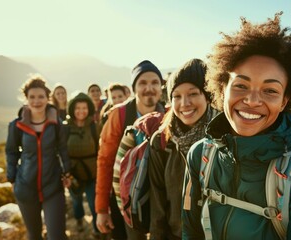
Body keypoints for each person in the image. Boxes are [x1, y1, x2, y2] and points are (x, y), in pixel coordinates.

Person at [182, 13, 291, 240]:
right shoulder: (201, 156)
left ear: (284, 101)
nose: (252, 100)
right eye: (241, 85)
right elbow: (190, 231)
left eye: (270, 90)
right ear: (223, 90)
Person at [148, 59, 218, 240]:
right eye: (177, 96)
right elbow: (158, 200)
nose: (184, 103)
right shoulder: (162, 141)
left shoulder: (226, 136)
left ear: (208, 96)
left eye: (193, 93)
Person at [96, 60, 165, 240]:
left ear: (161, 87)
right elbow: (105, 162)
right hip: (124, 197)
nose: (149, 88)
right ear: (134, 88)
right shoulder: (119, 115)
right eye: (142, 83)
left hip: (160, 196)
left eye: (154, 82)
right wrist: (102, 209)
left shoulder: (169, 114)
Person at [5, 76, 71, 240]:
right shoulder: (16, 125)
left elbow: (63, 149)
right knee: (34, 235)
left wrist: (67, 172)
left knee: (57, 236)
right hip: (25, 188)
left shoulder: (56, 123)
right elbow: (11, 151)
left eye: (41, 96)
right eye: (32, 97)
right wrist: (11, 178)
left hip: (53, 187)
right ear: (26, 99)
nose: (36, 101)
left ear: (48, 98)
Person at [66, 92, 100, 236]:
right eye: (77, 108)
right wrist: (65, 173)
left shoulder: (94, 127)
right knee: (76, 202)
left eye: (84, 108)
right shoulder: (65, 128)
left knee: (94, 205)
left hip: (92, 174)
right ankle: (79, 219)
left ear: (89, 109)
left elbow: (101, 150)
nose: (81, 111)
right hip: (73, 175)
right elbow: (61, 151)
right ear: (72, 109)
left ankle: (98, 231)